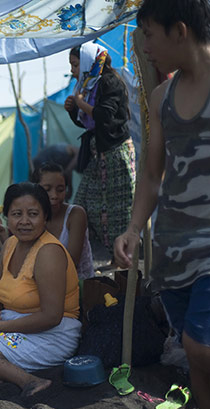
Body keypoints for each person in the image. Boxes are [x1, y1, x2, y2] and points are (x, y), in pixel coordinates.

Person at [115, 0, 210, 409]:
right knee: (197, 359)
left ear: (180, 31)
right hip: (173, 250)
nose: (143, 46)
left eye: (149, 34)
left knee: (200, 347)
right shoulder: (161, 97)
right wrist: (134, 228)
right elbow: (152, 174)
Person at [0, 183, 81, 396]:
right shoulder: (10, 244)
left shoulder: (49, 253)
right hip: (15, 321)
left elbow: (51, 316)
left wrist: (3, 326)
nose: (25, 221)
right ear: (7, 217)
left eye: (33, 214)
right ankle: (0, 370)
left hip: (51, 335)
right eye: (17, 214)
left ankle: (29, 380)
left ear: (45, 217)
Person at [64, 43, 135, 259]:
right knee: (83, 204)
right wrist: (73, 109)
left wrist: (80, 103)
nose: (72, 71)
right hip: (98, 156)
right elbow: (88, 123)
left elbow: (104, 116)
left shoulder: (109, 82)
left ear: (87, 62)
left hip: (115, 155)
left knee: (119, 211)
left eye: (75, 65)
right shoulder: (88, 85)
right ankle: (77, 257)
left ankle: (122, 262)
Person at [0, 163, 94, 279]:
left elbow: (71, 263)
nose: (54, 195)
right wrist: (1, 233)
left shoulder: (75, 214)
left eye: (60, 189)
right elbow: (15, 258)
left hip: (74, 282)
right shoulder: (31, 219)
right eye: (47, 190)